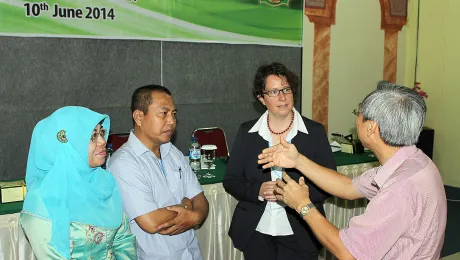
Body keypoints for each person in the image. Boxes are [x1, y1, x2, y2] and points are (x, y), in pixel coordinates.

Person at [259, 81, 447, 259]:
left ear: (371, 127)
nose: (356, 120)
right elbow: (348, 187)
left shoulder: (399, 189)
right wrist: (298, 160)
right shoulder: (413, 161)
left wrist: (303, 205)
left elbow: (349, 253)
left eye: (359, 112)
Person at [223, 62, 336, 260]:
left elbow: (330, 183)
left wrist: (300, 195)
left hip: (302, 229)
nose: (282, 97)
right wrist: (257, 191)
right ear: (261, 99)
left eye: (286, 89)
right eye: (274, 92)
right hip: (256, 230)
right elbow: (231, 180)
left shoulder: (314, 132)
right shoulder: (247, 132)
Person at [20, 106, 137, 259]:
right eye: (92, 136)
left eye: (101, 133)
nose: (102, 141)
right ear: (66, 145)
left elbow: (123, 240)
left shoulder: (104, 183)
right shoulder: (42, 202)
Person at [108, 85, 209, 260]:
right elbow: (151, 221)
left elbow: (200, 199)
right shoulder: (124, 162)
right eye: (164, 113)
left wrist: (196, 216)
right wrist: (186, 206)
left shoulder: (173, 153)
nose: (171, 121)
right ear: (139, 117)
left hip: (190, 254)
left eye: (174, 114)